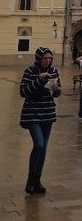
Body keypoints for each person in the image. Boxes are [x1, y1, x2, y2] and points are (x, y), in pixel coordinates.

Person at [20, 47, 61, 194]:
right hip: (33, 114)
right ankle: (30, 180)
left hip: (47, 114)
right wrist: (38, 80)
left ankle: (37, 180)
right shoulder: (30, 71)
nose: (48, 61)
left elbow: (57, 93)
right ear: (39, 58)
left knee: (43, 149)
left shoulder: (54, 72)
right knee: (39, 145)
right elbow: (23, 92)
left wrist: (55, 88)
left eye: (50, 58)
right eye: (45, 58)